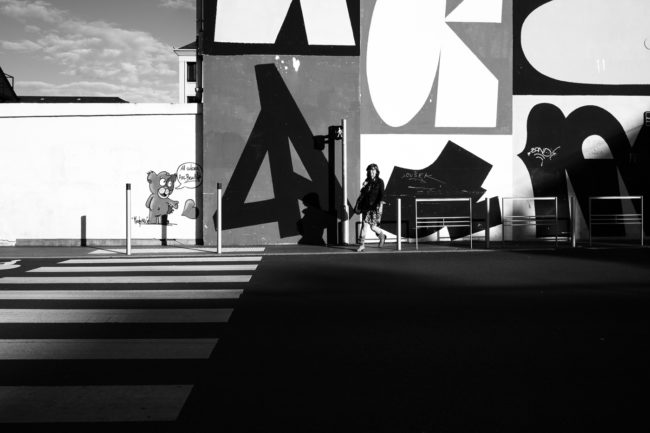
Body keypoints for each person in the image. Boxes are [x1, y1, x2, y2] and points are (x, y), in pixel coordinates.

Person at [355, 163, 387, 252]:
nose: (371, 172)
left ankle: (382, 236)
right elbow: (363, 194)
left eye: (373, 170)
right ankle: (362, 245)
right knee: (364, 226)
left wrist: (380, 204)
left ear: (377, 171)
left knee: (373, 227)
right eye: (370, 170)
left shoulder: (380, 182)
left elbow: (382, 194)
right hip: (366, 206)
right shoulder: (367, 181)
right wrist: (364, 186)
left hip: (374, 207)